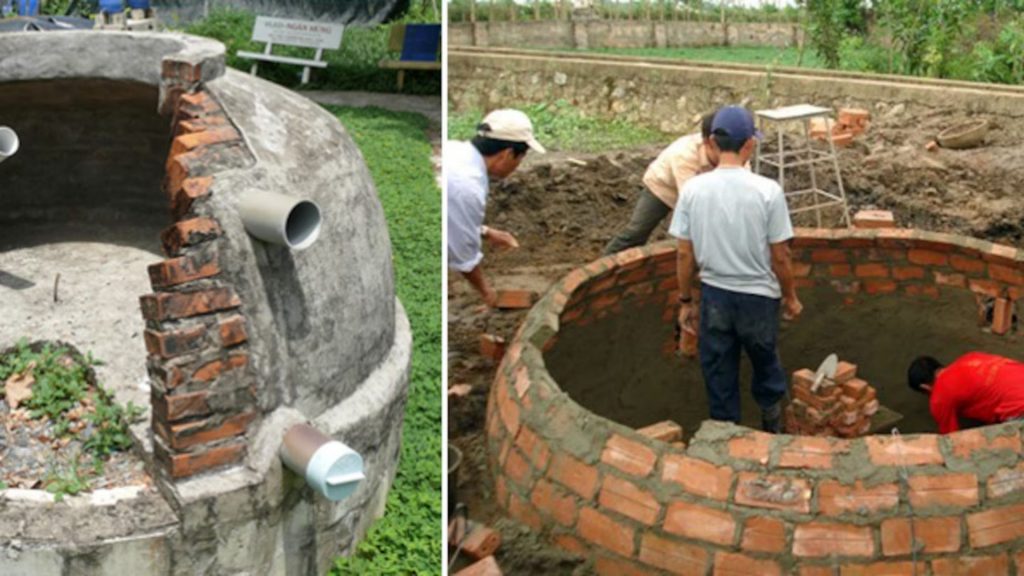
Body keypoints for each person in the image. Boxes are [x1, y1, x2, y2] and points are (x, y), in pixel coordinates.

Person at [670, 106, 802, 433]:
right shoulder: (767, 191)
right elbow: (780, 256)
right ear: (749, 145)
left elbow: (684, 254)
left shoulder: (693, 190)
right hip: (758, 299)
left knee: (719, 369)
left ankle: (725, 437)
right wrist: (790, 296)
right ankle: (773, 431)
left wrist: (686, 301)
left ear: (713, 142)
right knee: (765, 362)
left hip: (715, 297)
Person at [447, 109, 545, 306]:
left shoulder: (456, 150)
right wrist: (487, 294)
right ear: (508, 154)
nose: (518, 165)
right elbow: (463, 254)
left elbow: (453, 219)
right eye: (521, 157)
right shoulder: (468, 186)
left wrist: (486, 232)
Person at [604, 112, 720, 255]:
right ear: (709, 142)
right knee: (637, 232)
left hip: (699, 189)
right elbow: (691, 203)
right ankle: (605, 263)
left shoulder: (733, 148)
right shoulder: (684, 154)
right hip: (660, 186)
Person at [908, 352, 1024, 433]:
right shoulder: (969, 358)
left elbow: (951, 440)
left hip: (1018, 406)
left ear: (925, 387)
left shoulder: (939, 397)